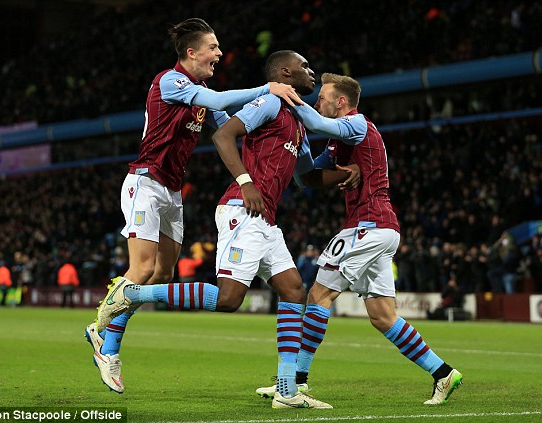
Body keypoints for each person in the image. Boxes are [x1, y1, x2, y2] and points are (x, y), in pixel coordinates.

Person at [97, 51, 359, 408]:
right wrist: (246, 181)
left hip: (266, 219)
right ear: (285, 73)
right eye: (305, 68)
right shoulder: (268, 103)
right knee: (229, 299)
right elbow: (223, 135)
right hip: (242, 207)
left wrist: (346, 174)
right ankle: (132, 295)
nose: (311, 73)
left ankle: (286, 390)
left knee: (295, 291)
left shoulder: (297, 119)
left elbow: (308, 177)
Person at [85, 18, 303, 394]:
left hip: (171, 191)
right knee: (142, 268)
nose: (219, 54)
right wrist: (267, 87)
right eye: (213, 47)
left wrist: (271, 116)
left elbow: (227, 122)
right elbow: (219, 101)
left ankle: (110, 327)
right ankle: (105, 341)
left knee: (162, 275)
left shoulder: (200, 91)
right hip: (145, 182)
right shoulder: (170, 81)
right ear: (191, 52)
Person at [256, 73, 463, 405]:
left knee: (318, 294)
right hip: (376, 229)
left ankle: (296, 382)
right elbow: (306, 177)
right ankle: (443, 373)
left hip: (369, 226)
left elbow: (314, 120)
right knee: (383, 316)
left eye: (322, 97)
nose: (316, 102)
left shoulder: (358, 124)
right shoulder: (340, 141)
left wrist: (287, 100)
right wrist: (299, 142)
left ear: (341, 102)